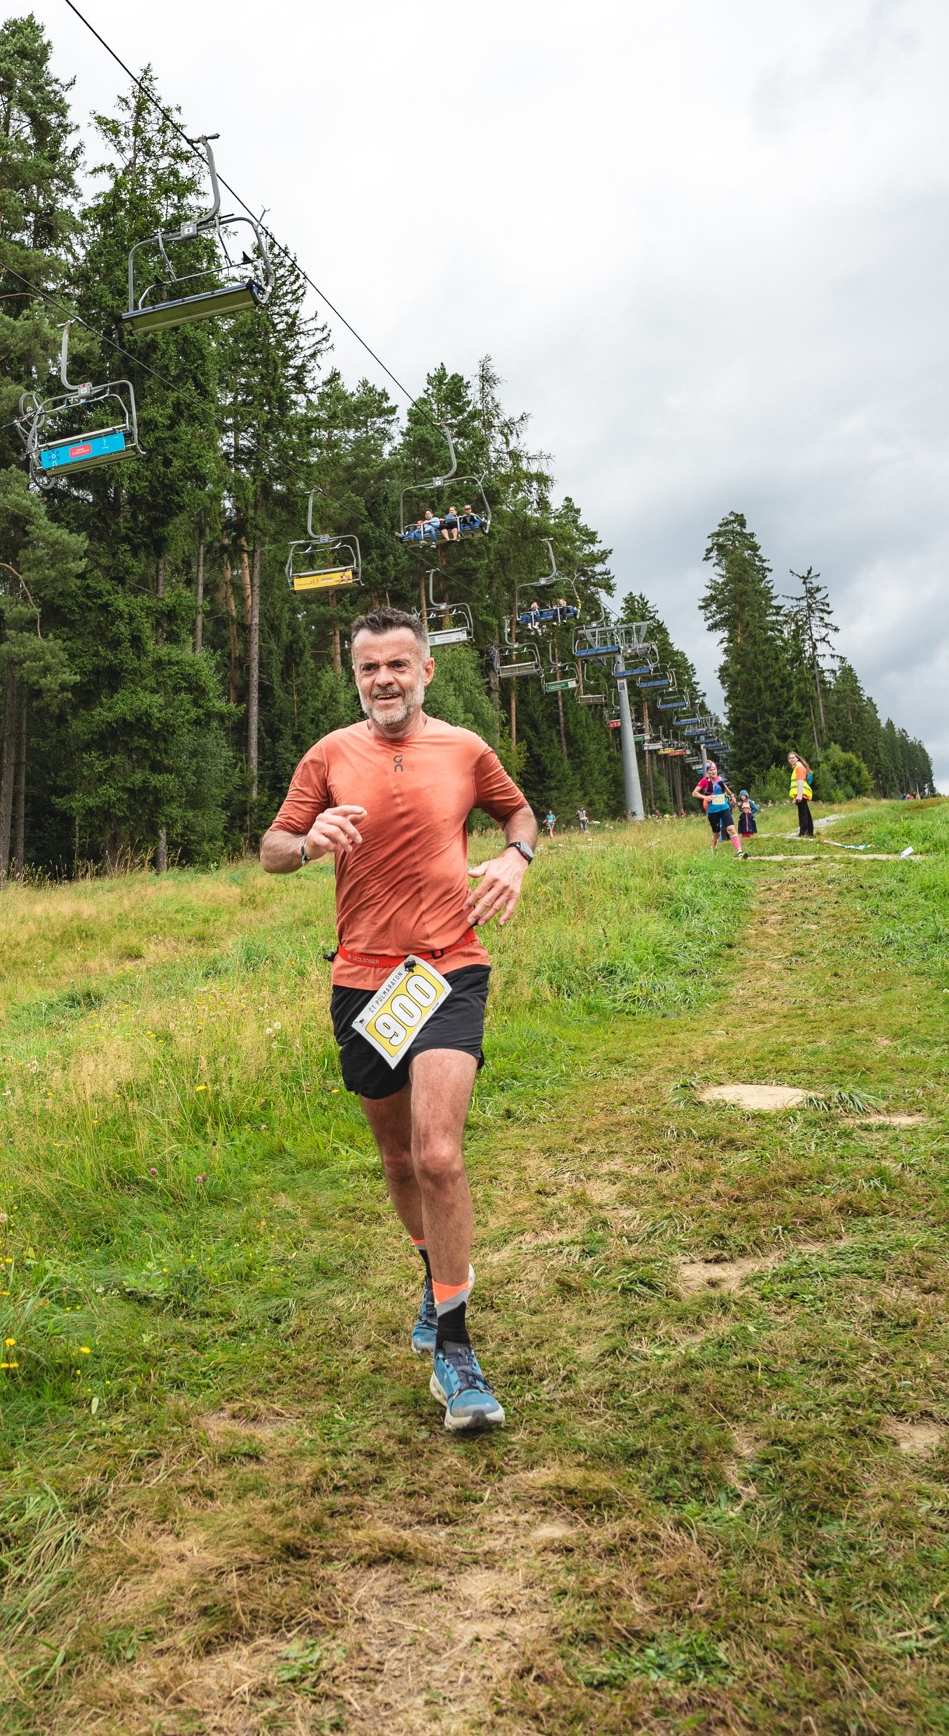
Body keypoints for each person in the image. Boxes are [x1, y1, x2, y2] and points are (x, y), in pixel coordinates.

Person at [261, 607, 537, 1432]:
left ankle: (455, 1347)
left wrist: (515, 858)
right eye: (368, 668)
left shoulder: (465, 748)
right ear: (356, 676)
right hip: (364, 982)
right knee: (398, 1159)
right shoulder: (328, 755)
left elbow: (520, 814)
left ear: (425, 671)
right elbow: (271, 849)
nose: (384, 680)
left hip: (449, 968)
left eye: (398, 665)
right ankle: (432, 1272)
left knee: (439, 1154)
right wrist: (308, 843)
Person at [693, 759, 744, 856]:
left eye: (714, 769)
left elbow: (725, 788)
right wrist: (705, 797)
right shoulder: (704, 781)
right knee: (717, 834)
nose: (713, 771)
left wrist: (732, 795)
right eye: (710, 770)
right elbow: (694, 793)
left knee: (731, 829)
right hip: (713, 811)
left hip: (724, 808)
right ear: (707, 772)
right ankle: (714, 849)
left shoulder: (720, 779)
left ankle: (740, 852)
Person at [788, 754, 815, 838]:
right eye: (790, 758)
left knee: (802, 813)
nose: (791, 759)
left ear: (797, 758)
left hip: (802, 793)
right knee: (806, 812)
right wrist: (795, 797)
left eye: (793, 758)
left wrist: (799, 796)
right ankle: (809, 832)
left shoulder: (799, 767)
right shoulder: (798, 767)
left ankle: (803, 832)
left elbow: (800, 782)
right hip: (801, 793)